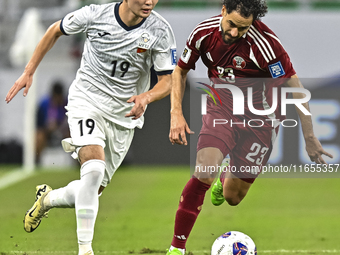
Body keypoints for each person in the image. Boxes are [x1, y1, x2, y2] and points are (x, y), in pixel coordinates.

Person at [5, 0, 176, 254]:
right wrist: (29, 70)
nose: (149, 2)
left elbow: (167, 81)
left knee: (91, 190)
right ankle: (85, 250)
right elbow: (55, 30)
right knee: (93, 170)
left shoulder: (160, 30)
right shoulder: (95, 15)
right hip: (88, 100)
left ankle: (47, 199)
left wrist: (146, 97)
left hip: (123, 116)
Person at [167, 0, 332, 254]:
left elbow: (295, 88)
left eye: (242, 29)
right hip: (220, 110)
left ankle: (225, 178)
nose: (234, 33)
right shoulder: (203, 33)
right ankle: (176, 248)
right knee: (203, 171)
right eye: (231, 24)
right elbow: (180, 71)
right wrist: (176, 112)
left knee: (233, 198)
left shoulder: (267, 46)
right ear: (223, 10)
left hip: (260, 121)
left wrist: (309, 136)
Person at [36, 81, 68, 164]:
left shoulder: (67, 103)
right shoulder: (44, 104)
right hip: (47, 132)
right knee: (38, 137)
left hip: (64, 131)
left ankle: (78, 163)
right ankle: (36, 161)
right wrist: (48, 128)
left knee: (76, 138)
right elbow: (38, 124)